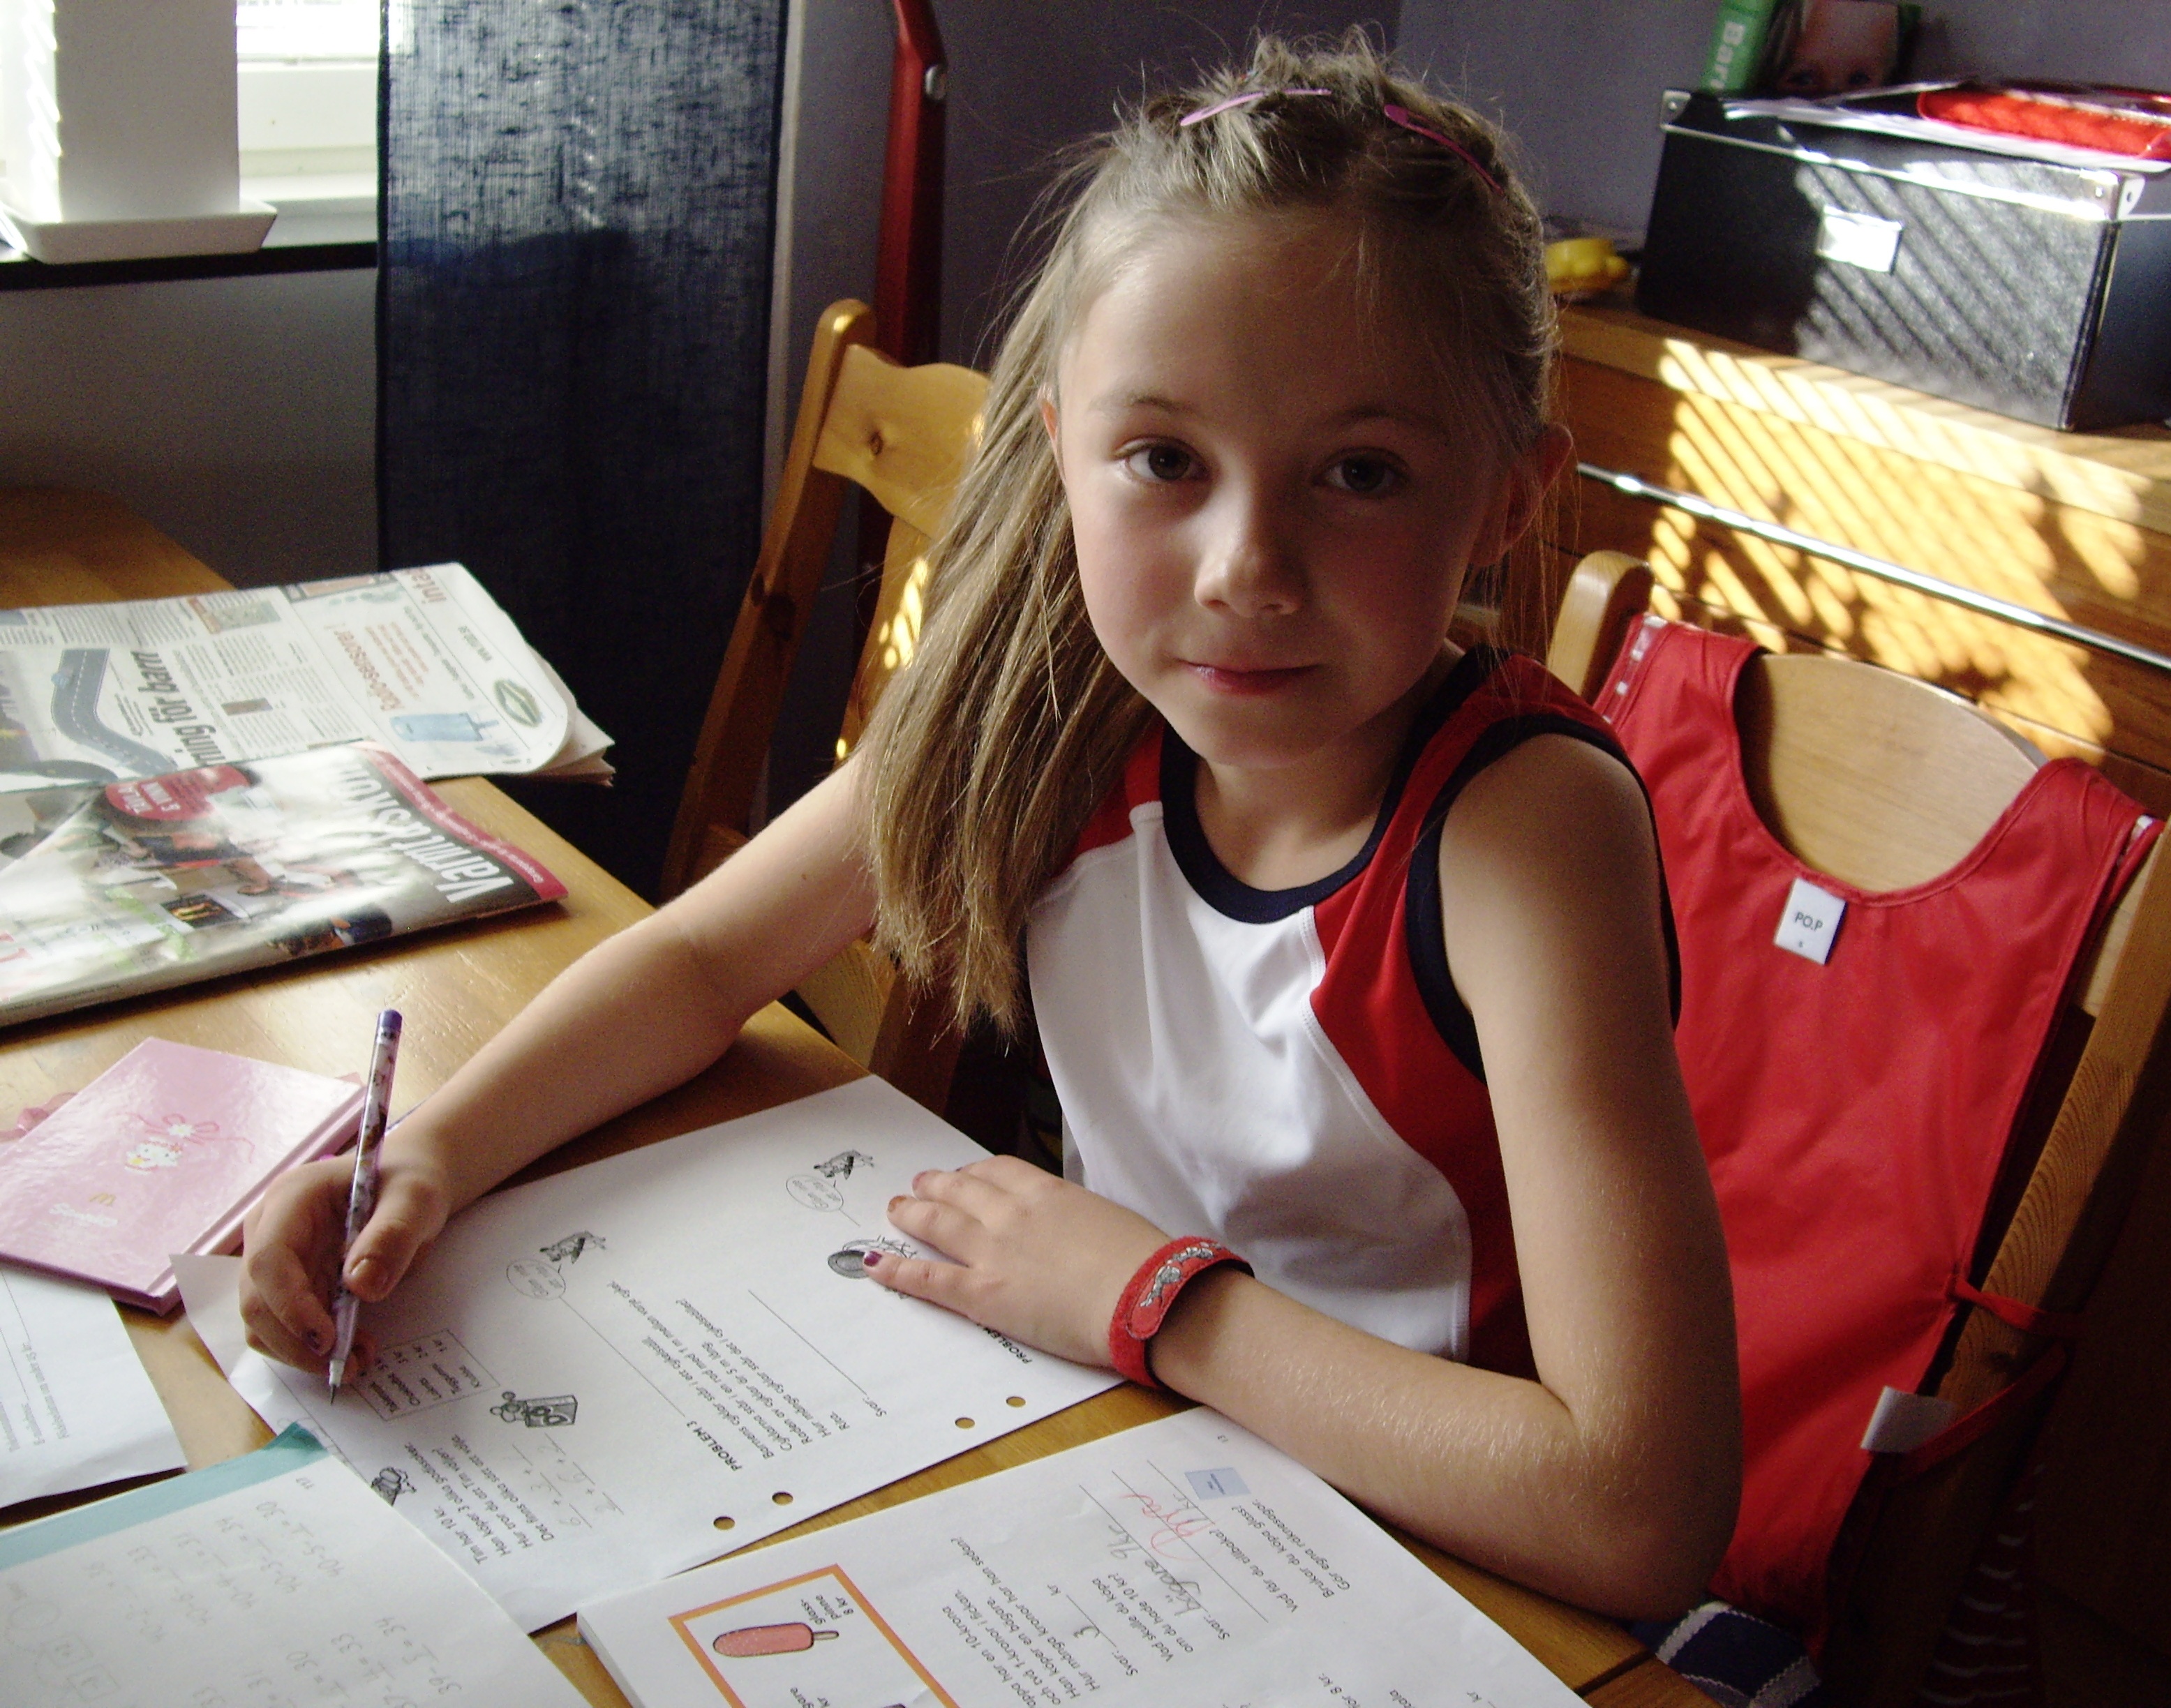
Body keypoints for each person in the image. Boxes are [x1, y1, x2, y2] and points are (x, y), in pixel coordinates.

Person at [239, 34, 1739, 1620]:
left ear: (1506, 501)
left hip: (1453, 1579)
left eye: (1360, 473)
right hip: (1129, 1469)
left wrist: (1153, 1305)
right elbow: (698, 963)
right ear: (1059, 446)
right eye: (1164, 459)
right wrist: (429, 1153)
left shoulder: (1523, 832)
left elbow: (1635, 1509)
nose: (1245, 564)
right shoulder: (1056, 708)